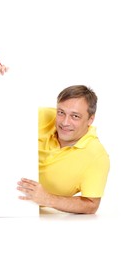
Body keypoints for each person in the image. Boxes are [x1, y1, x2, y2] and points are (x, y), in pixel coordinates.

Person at [17, 85, 110, 214]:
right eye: (61, 112)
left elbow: (91, 205)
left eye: (75, 116)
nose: (65, 122)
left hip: (25, 214)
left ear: (90, 119)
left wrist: (48, 199)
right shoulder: (42, 116)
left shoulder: (97, 156)